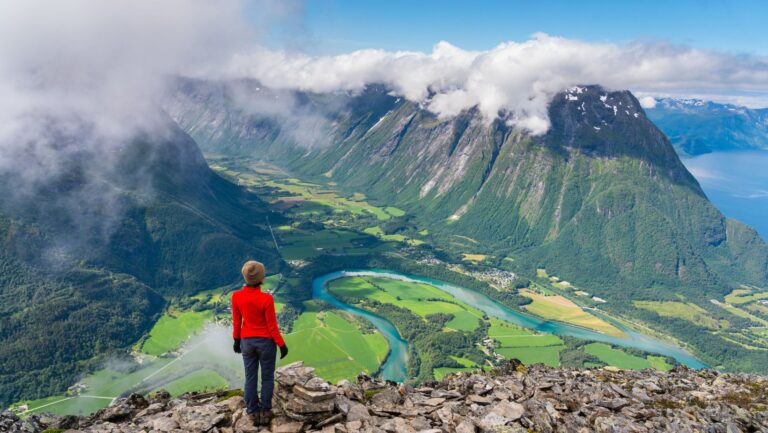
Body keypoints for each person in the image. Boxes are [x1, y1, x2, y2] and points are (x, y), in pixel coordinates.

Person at [232, 260, 289, 426]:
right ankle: (265, 411)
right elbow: (272, 326)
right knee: (267, 378)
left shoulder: (236, 296)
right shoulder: (267, 299)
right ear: (262, 278)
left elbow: (237, 322)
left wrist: (236, 341)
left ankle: (252, 412)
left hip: (247, 342)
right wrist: (281, 344)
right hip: (266, 343)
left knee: (250, 378)